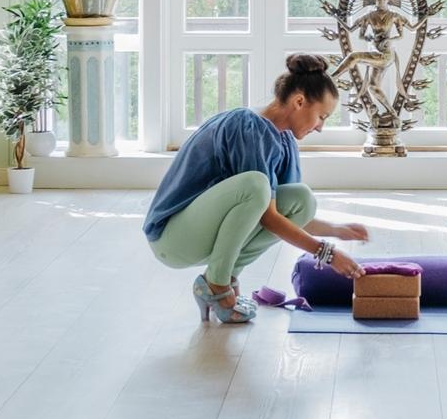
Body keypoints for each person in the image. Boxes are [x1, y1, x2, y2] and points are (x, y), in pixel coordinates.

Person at [144, 52, 370, 325]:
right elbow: (267, 215)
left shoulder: (284, 140)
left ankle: (225, 276)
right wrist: (327, 253)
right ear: (299, 101)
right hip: (173, 238)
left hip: (200, 233)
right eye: (321, 116)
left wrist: (335, 230)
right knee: (255, 185)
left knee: (302, 199)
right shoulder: (247, 128)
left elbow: (285, 215)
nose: (321, 127)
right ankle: (216, 285)